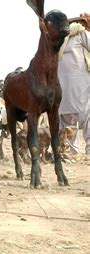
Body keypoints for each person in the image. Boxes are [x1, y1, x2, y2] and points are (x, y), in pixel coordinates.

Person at [58, 14, 90, 159]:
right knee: (65, 117)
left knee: (85, 115)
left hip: (80, 82)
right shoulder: (58, 40)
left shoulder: (81, 34)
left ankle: (89, 149)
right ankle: (72, 149)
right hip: (61, 83)